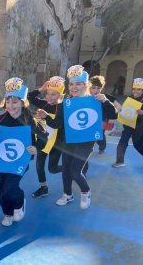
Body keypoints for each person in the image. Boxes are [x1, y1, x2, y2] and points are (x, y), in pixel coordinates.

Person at [37, 65, 117, 209]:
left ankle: (85, 191)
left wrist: (105, 101)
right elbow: (56, 124)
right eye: (72, 84)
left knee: (75, 170)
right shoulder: (65, 104)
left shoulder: (95, 100)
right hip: (70, 140)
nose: (74, 87)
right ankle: (67, 194)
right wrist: (46, 116)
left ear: (85, 85)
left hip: (86, 141)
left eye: (78, 84)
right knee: (66, 169)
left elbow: (113, 115)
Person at [0, 77, 47, 226]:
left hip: (21, 161)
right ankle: (7, 213)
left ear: (23, 103)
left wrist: (36, 147)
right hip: (3, 161)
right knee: (1, 189)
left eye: (15, 102)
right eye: (8, 101)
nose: (11, 106)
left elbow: (43, 137)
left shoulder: (30, 120)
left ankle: (19, 203)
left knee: (11, 187)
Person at [28, 76, 65, 198]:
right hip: (44, 141)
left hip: (57, 144)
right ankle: (43, 188)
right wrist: (41, 89)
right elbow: (30, 97)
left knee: (52, 169)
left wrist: (45, 116)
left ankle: (67, 168)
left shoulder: (62, 107)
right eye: (48, 94)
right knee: (39, 165)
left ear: (60, 96)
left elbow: (56, 125)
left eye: (53, 94)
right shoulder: (44, 104)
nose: (49, 97)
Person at [112, 78, 143, 168]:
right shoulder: (129, 98)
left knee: (138, 144)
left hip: (139, 125)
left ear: (142, 90)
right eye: (134, 89)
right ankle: (120, 161)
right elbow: (125, 109)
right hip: (128, 124)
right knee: (122, 142)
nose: (136, 91)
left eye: (139, 89)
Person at [89, 75, 122, 154]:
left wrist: (112, 116)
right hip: (89, 121)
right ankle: (89, 148)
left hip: (102, 121)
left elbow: (119, 106)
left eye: (98, 88)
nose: (96, 90)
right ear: (89, 88)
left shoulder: (106, 96)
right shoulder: (86, 97)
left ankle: (102, 147)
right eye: (93, 88)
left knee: (100, 136)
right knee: (89, 136)